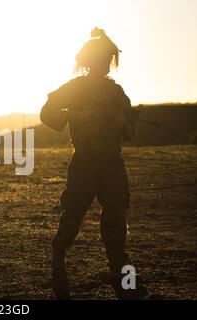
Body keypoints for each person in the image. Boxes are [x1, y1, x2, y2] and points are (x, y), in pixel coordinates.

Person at [40, 28, 141, 299]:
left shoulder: (116, 92)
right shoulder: (75, 88)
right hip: (84, 163)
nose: (105, 62)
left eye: (108, 57)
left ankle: (121, 274)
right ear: (88, 60)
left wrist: (124, 122)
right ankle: (58, 257)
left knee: (117, 218)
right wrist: (77, 114)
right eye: (101, 57)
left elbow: (130, 133)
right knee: (72, 215)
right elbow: (47, 114)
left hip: (111, 164)